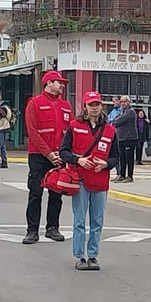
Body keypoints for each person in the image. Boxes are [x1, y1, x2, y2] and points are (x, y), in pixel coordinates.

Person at [60, 91, 119, 271]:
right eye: (91, 104)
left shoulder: (110, 130)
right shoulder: (74, 126)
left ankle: (93, 255)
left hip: (100, 180)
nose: (94, 108)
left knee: (97, 221)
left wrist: (107, 163)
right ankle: (79, 256)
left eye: (97, 104)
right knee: (79, 220)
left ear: (102, 106)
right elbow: (63, 151)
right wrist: (78, 159)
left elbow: (116, 156)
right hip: (81, 179)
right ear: (85, 106)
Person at [23, 70, 71, 245]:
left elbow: (70, 132)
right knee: (35, 193)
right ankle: (32, 230)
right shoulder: (34, 103)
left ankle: (52, 227)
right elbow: (33, 132)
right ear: (49, 83)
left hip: (59, 155)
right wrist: (49, 153)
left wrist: (64, 153)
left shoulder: (65, 105)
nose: (62, 85)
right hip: (39, 155)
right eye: (59, 82)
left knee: (56, 193)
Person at [111, 96, 139, 182]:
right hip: (121, 138)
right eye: (122, 102)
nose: (123, 103)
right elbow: (115, 119)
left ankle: (130, 176)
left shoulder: (130, 112)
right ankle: (122, 175)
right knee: (122, 157)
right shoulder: (122, 111)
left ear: (129, 102)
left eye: (125, 101)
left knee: (129, 158)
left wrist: (115, 121)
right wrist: (115, 121)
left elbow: (119, 121)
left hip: (129, 138)